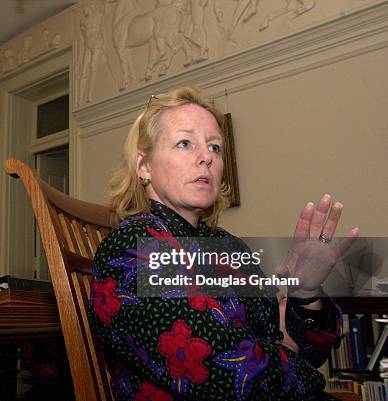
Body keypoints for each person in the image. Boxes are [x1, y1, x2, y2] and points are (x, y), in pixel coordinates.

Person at [88, 86, 359, 401]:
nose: (206, 157)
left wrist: (305, 293)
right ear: (144, 166)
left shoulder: (229, 247)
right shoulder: (131, 246)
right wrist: (285, 352)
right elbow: (227, 372)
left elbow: (307, 349)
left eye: (214, 147)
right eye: (185, 143)